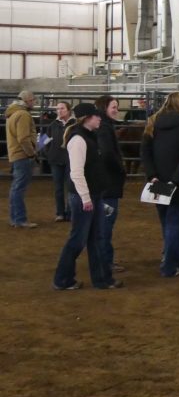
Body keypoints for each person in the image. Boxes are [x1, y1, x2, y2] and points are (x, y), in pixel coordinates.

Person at [52, 103, 122, 290]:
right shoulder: (79, 140)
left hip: (93, 194)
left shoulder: (87, 137)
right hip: (86, 196)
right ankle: (63, 279)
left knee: (94, 238)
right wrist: (85, 198)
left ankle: (102, 279)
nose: (100, 118)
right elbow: (76, 173)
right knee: (78, 240)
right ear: (88, 118)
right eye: (97, 116)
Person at [140, 92, 179, 278]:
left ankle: (173, 257)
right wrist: (176, 179)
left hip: (158, 180)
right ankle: (170, 265)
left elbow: (145, 151)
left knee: (165, 221)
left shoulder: (153, 122)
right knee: (175, 223)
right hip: (178, 183)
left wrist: (152, 175)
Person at [94, 95, 127, 274]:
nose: (116, 110)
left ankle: (104, 259)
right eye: (114, 107)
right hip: (108, 184)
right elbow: (107, 153)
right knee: (106, 224)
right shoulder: (105, 128)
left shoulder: (103, 126)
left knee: (104, 223)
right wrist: (120, 168)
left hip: (104, 184)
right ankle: (104, 261)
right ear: (104, 108)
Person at [6, 89, 38, 228]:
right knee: (19, 188)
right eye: (33, 100)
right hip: (23, 155)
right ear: (27, 101)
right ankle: (20, 219)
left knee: (15, 188)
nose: (34, 103)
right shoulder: (23, 115)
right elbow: (24, 138)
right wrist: (31, 153)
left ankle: (15, 218)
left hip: (15, 154)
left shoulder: (12, 114)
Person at [46, 101, 74, 222]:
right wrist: (48, 153)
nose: (59, 111)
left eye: (62, 108)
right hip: (56, 159)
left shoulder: (75, 125)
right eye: (57, 109)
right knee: (58, 188)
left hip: (71, 160)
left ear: (68, 110)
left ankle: (70, 212)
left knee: (71, 187)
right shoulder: (52, 125)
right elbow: (43, 141)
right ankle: (60, 212)